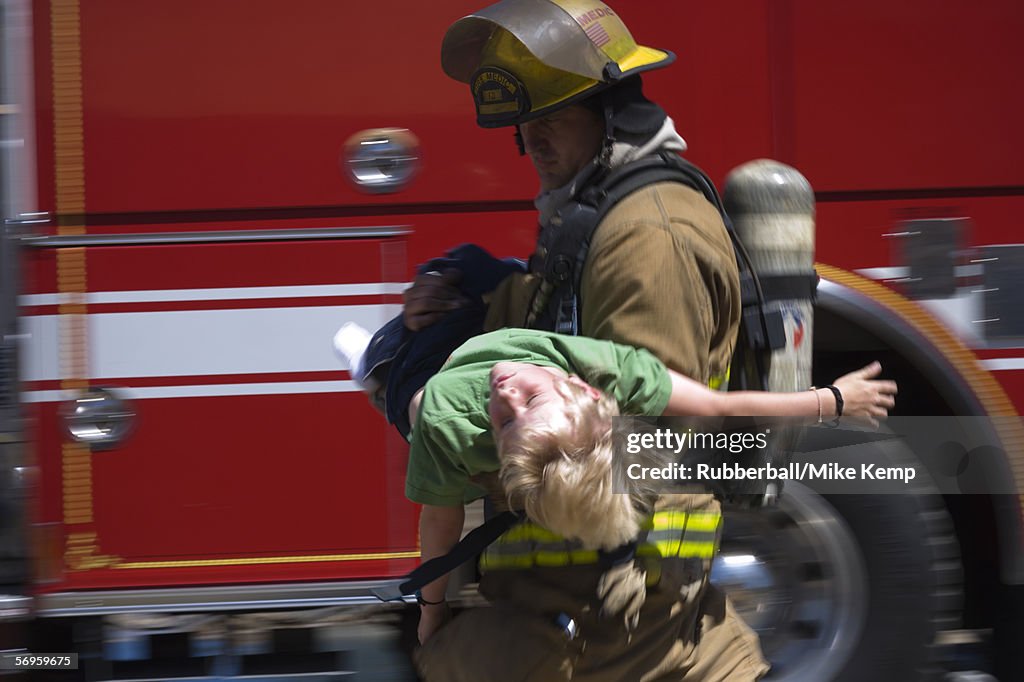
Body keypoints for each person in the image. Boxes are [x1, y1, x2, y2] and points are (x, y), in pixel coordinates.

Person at [402, 1, 768, 679]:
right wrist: (469, 297)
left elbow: (642, 444)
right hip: (582, 607)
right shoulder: (595, 214)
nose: (534, 141)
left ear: (611, 112)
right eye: (526, 123)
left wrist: (455, 437)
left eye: (556, 118)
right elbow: (561, 340)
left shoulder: (647, 237)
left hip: (625, 620)